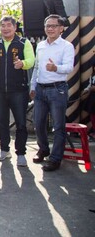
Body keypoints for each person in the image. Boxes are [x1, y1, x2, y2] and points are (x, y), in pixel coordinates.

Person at [30, 14, 75, 172]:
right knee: (38, 123)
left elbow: (69, 67)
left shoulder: (66, 46)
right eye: (47, 26)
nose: (50, 29)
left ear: (61, 28)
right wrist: (32, 86)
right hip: (41, 89)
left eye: (53, 26)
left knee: (58, 127)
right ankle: (43, 149)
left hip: (57, 89)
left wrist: (56, 68)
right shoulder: (41, 45)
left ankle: (55, 158)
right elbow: (36, 68)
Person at [0, 16, 35, 167]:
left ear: (15, 27)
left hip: (18, 90)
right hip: (0, 91)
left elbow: (31, 61)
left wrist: (23, 63)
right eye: (2, 26)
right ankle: (4, 150)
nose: (5, 28)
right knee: (2, 122)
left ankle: (21, 153)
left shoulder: (23, 43)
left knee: (21, 123)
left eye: (8, 25)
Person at [81, 63, 95, 141]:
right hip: (92, 98)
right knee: (92, 115)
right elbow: (89, 86)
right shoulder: (92, 76)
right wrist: (85, 91)